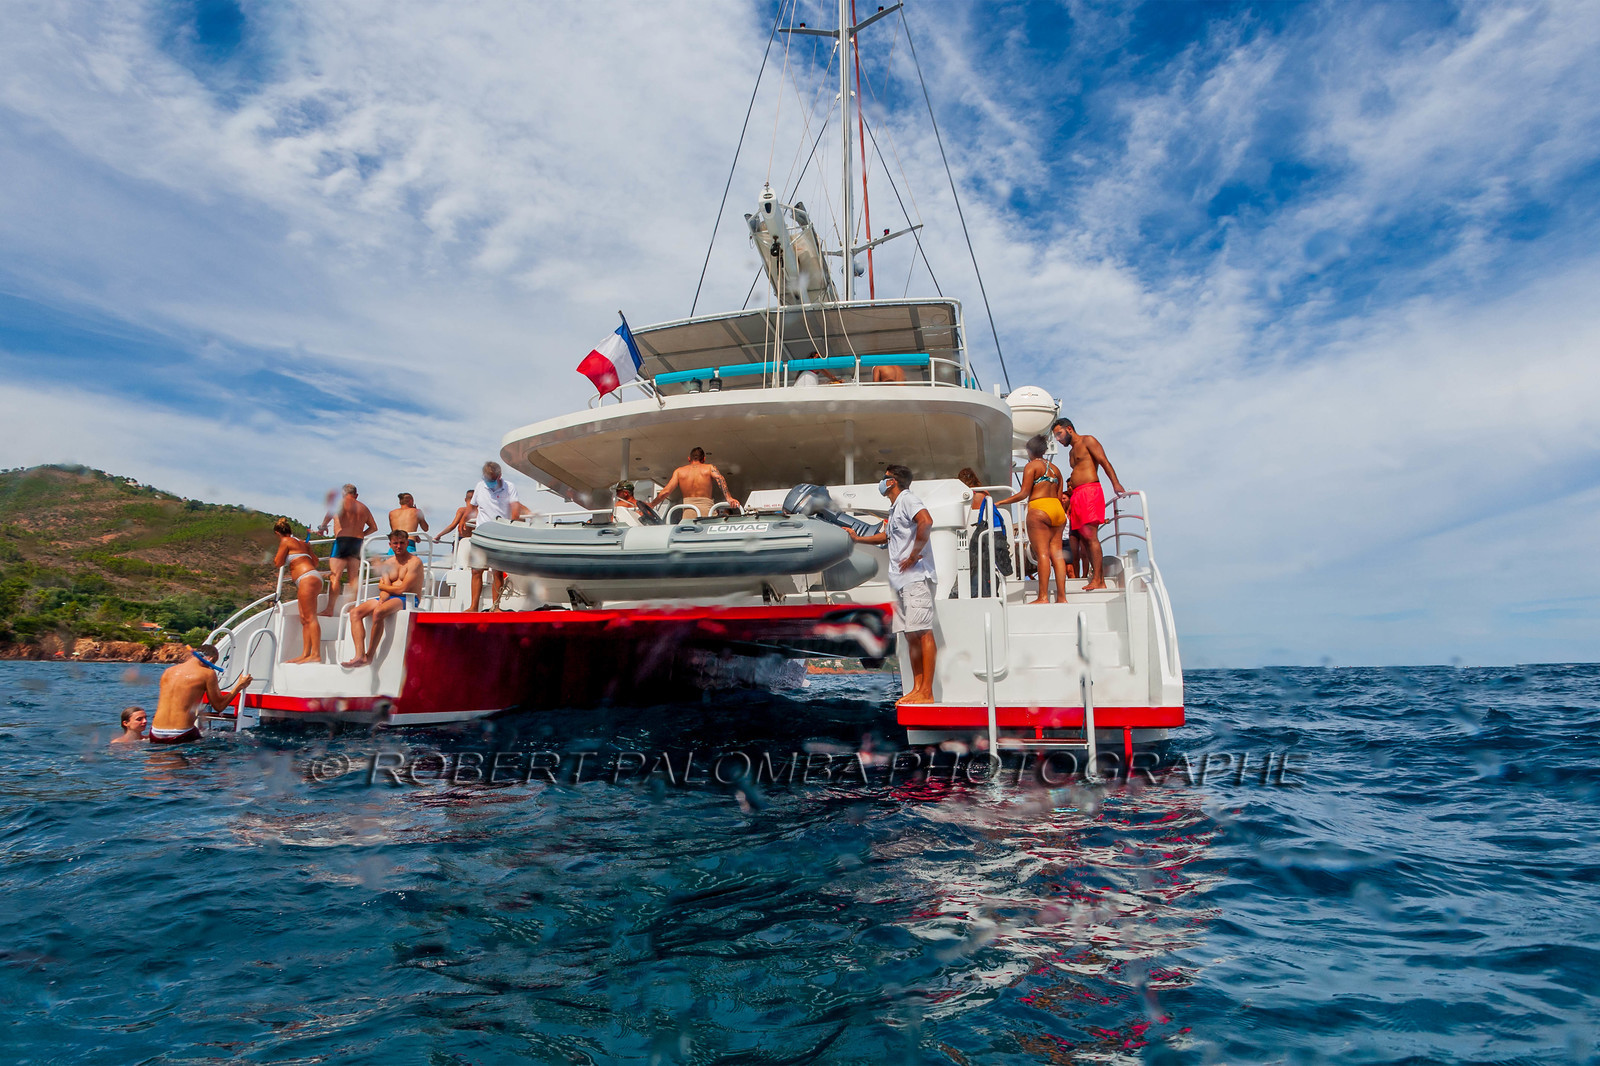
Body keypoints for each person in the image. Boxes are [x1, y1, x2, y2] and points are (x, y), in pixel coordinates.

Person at [847, 464, 937, 705]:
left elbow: (926, 521)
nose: (881, 481)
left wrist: (914, 555)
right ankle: (917, 688)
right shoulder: (895, 508)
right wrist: (857, 539)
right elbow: (886, 537)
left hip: (916, 578)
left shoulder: (907, 499)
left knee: (923, 632)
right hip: (901, 581)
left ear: (892, 482)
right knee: (910, 635)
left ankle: (927, 692)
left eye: (884, 477)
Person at [1051, 417, 1126, 592]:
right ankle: (1096, 577)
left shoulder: (1088, 440)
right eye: (1056, 436)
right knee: (1084, 540)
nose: (1058, 439)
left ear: (1069, 429)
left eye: (1059, 434)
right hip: (1077, 495)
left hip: (1090, 491)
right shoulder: (1071, 452)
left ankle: (1100, 579)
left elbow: (1104, 461)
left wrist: (1115, 483)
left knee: (1091, 536)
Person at [996, 435, 1069, 604]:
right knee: (1057, 555)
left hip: (1040, 508)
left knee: (1043, 554)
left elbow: (1023, 493)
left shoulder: (1032, 466)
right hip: (1057, 510)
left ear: (1029, 451)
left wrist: (1002, 502)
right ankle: (1062, 597)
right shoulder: (1056, 469)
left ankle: (1043, 597)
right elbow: (1059, 497)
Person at [342, 531, 425, 667]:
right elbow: (385, 588)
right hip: (391, 596)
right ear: (390, 544)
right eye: (395, 543)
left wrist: (383, 587)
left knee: (378, 612)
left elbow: (402, 589)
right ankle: (359, 655)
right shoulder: (388, 563)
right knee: (355, 613)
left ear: (407, 543)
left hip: (409, 598)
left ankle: (369, 656)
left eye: (402, 543)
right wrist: (383, 593)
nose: (399, 546)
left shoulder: (415, 563)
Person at [150, 645, 251, 744]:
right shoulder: (207, 674)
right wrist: (239, 686)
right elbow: (219, 706)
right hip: (181, 734)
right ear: (210, 659)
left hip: (155, 732)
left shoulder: (168, 672)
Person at [315, 484, 377, 616]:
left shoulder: (341, 503)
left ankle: (329, 609)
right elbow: (374, 527)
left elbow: (329, 515)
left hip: (342, 541)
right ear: (356, 495)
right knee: (353, 578)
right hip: (357, 542)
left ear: (343, 494)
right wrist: (361, 534)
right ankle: (352, 608)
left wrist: (322, 527)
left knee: (335, 576)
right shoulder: (364, 508)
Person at [273, 517, 324, 663]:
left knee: (310, 617)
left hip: (306, 578)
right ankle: (306, 654)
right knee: (304, 618)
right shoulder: (303, 543)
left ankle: (315, 654)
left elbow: (278, 562)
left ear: (278, 533)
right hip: (313, 576)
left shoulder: (285, 541)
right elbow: (315, 562)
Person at [469, 463, 519, 611]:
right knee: (476, 571)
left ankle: (496, 607)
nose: (488, 482)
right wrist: (463, 520)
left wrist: (512, 529)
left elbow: (515, 510)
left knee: (497, 572)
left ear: (499, 476)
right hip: (481, 534)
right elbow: (472, 506)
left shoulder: (509, 487)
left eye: (491, 479)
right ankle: (473, 607)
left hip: (500, 534)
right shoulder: (480, 486)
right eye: (486, 478)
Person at [649, 447, 738, 519]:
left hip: (688, 512)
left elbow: (666, 492)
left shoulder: (679, 472)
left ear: (689, 459)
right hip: (707, 511)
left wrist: (652, 505)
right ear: (704, 459)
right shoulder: (709, 468)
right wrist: (729, 498)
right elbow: (720, 478)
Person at [958, 467, 1007, 598]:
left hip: (966, 533)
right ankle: (986, 592)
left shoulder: (961, 494)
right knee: (984, 565)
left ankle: (971, 592)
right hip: (983, 533)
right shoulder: (984, 493)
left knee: (969, 565)